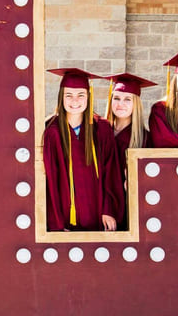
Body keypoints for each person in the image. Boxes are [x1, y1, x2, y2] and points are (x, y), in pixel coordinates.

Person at [43, 68, 123, 232]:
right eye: (69, 95)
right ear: (61, 97)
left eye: (81, 95)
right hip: (66, 218)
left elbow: (112, 172)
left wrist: (109, 209)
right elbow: (49, 180)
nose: (75, 100)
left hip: (98, 215)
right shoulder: (52, 131)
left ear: (89, 96)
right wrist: (56, 224)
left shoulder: (102, 129)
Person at [103, 73, 156, 229]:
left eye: (128, 99)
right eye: (117, 98)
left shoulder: (145, 139)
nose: (121, 104)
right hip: (100, 208)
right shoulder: (100, 132)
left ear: (136, 104)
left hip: (131, 210)